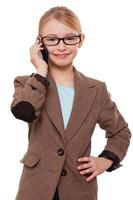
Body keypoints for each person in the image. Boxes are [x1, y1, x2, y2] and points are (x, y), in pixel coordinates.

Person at [10, 6, 131, 200]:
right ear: (39, 43)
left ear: (80, 40)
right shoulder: (27, 82)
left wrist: (106, 160)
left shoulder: (96, 90)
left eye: (69, 38)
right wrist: (40, 69)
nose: (61, 46)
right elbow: (25, 112)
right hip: (36, 188)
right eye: (52, 39)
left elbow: (121, 132)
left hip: (79, 188)